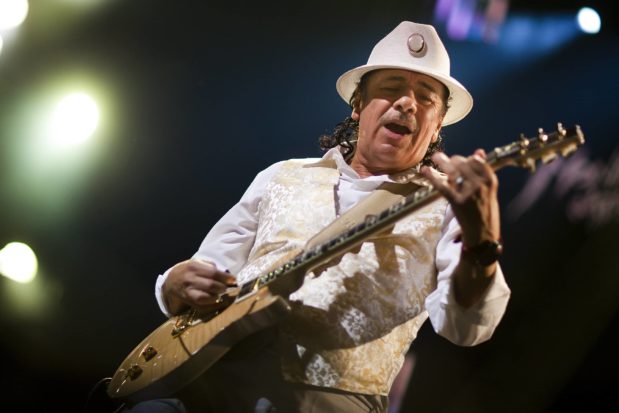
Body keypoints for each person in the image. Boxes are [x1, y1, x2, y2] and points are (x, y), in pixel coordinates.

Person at [129, 21, 511, 413]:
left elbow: (466, 327)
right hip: (214, 380)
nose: (407, 103)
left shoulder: (448, 203)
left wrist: (482, 242)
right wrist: (174, 285)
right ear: (358, 105)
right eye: (392, 88)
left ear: (436, 129)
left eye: (425, 98)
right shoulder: (282, 175)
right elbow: (208, 272)